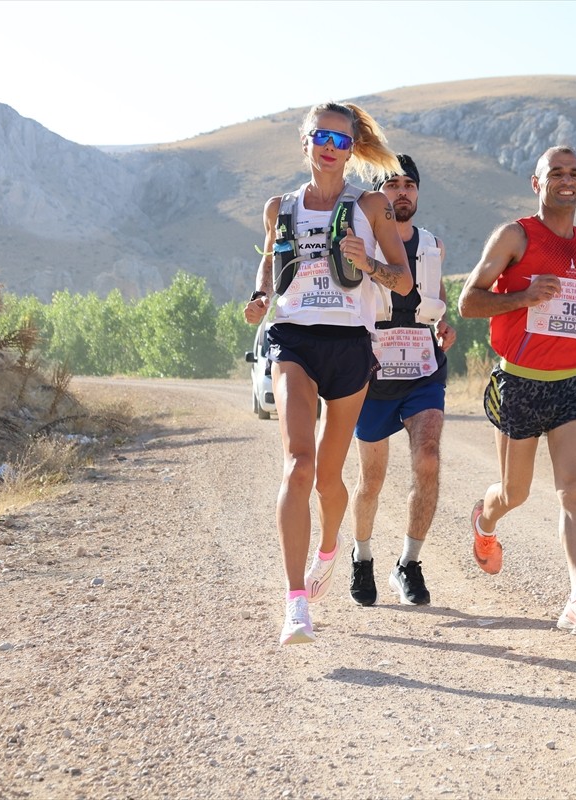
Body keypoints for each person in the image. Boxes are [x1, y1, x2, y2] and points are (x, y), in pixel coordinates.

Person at [243, 102, 412, 645]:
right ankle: (295, 603)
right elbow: (271, 260)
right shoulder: (281, 207)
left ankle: (330, 546)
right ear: (306, 142)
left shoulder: (370, 206)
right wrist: (260, 296)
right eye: (322, 137)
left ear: (352, 148)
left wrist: (368, 264)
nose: (330, 148)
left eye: (341, 141)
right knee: (298, 465)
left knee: (328, 478)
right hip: (294, 337)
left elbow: (403, 281)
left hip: (349, 345)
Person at [457, 146, 576, 644]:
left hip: (573, 381)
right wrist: (522, 297)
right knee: (515, 493)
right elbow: (468, 302)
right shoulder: (516, 236)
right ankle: (485, 522)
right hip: (521, 382)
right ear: (537, 183)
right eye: (556, 173)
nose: (567, 180)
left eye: (575, 172)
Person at [349, 154, 457, 606]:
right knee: (371, 480)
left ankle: (408, 563)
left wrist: (445, 322)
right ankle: (362, 557)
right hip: (372, 373)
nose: (402, 192)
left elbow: (436, 297)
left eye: (409, 184)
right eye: (391, 185)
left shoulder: (433, 245)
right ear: (378, 195)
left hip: (423, 370)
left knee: (427, 458)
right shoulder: (359, 243)